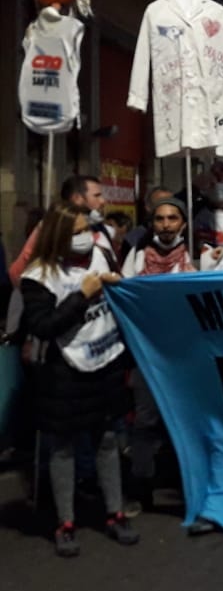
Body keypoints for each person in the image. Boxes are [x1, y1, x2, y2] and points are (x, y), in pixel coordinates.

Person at [18, 202, 139, 556]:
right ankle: (66, 522)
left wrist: (117, 286)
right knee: (63, 448)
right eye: (76, 232)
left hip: (106, 361)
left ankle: (115, 513)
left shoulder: (102, 255)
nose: (85, 237)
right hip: (64, 372)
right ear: (58, 236)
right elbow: (43, 326)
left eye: (87, 229)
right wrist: (81, 296)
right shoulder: (38, 276)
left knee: (107, 441)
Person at [119, 195, 194, 518]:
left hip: (184, 355)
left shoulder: (195, 258)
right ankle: (141, 489)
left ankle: (186, 487)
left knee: (185, 421)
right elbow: (123, 297)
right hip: (146, 353)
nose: (166, 225)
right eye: (160, 219)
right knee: (145, 421)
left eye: (172, 218)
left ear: (183, 224)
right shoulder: (137, 257)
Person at [9, 175, 111, 286]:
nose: (102, 201)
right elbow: (17, 272)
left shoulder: (99, 229)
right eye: (97, 196)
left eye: (85, 230)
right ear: (77, 198)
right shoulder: (49, 229)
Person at [124, 185, 174, 249]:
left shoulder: (183, 235)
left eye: (170, 204)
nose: (165, 209)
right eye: (160, 204)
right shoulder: (134, 239)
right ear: (148, 207)